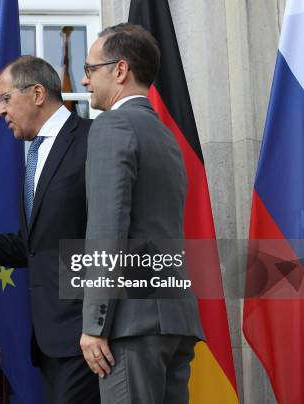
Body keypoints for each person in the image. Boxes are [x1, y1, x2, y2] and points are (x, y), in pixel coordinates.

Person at [0, 56, 99, 403]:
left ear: (37, 93)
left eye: (4, 98)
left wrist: (97, 326)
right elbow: (30, 247)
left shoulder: (94, 140)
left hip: (89, 337)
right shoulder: (34, 155)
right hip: (51, 340)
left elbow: (116, 234)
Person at [79, 23, 204, 404]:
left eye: (90, 70)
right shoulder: (165, 135)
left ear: (119, 70)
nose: (85, 82)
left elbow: (107, 228)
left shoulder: (113, 126)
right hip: (173, 321)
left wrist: (94, 324)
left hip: (132, 326)